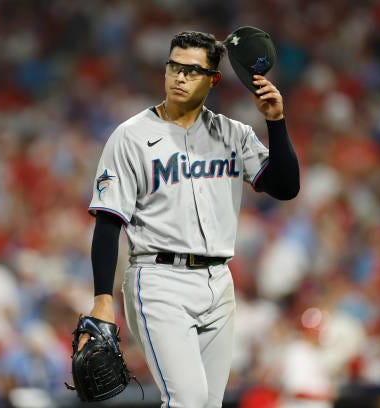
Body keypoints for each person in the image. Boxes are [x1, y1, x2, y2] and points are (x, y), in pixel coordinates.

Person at [79, 30, 300, 407]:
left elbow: (285, 186)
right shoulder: (131, 137)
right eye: (174, 67)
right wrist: (102, 298)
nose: (179, 77)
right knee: (188, 401)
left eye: (192, 71)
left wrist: (276, 123)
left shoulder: (234, 134)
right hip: (159, 280)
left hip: (219, 282)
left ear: (213, 79)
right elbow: (107, 221)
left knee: (208, 404)